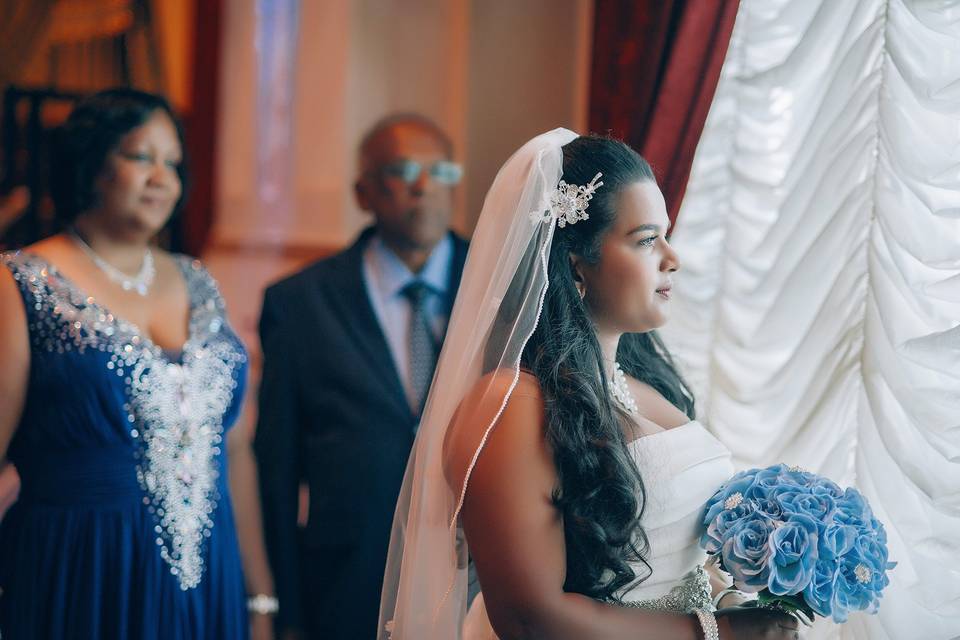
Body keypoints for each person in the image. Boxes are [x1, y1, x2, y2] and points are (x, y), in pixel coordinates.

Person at [378, 130, 802, 639]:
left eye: (666, 235)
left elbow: (672, 559)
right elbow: (530, 618)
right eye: (646, 239)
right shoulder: (513, 405)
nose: (673, 258)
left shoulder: (648, 382)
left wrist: (734, 597)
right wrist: (721, 634)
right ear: (576, 261)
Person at [0, 88, 276, 639]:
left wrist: (260, 595)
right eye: (140, 156)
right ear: (92, 162)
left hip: (210, 573)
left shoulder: (198, 279)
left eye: (172, 163)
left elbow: (236, 449)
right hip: (82, 566)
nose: (162, 178)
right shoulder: (20, 282)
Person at [254, 113, 469, 639]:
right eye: (402, 169)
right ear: (363, 192)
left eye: (439, 170)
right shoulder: (299, 302)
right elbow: (276, 467)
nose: (423, 186)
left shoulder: (508, 289)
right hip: (346, 577)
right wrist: (285, 607)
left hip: (475, 573)